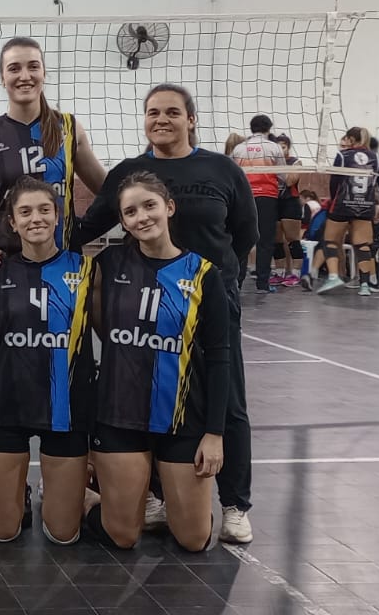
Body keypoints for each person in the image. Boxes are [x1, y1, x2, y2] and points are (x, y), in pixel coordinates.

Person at [70, 83, 256, 545]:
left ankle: (234, 504)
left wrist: (220, 280)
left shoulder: (222, 169)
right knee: (145, 390)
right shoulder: (130, 173)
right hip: (145, 303)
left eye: (173, 112)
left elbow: (246, 234)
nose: (162, 120)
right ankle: (152, 494)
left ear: (191, 119)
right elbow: (86, 228)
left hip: (207, 298)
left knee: (227, 400)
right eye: (153, 112)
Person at [84, 171, 228, 552]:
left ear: (169, 207)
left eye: (149, 205)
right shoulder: (108, 264)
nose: (142, 217)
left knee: (194, 540)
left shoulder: (203, 274)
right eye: (130, 212)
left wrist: (215, 433)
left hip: (181, 418)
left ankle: (169, 503)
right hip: (119, 416)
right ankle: (89, 500)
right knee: (122, 536)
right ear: (122, 221)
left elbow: (220, 358)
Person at [0, 177, 94, 544]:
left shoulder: (87, 270)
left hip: (67, 406)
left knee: (63, 534)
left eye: (45, 210)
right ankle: (18, 496)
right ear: (12, 222)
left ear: (58, 216)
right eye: (25, 212)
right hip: (10, 400)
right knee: (3, 531)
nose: (36, 219)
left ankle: (83, 496)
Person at [0, 36, 106, 256]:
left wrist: (83, 230)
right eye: (14, 68)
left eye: (33, 66)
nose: (25, 76)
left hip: (63, 258)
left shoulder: (68, 128)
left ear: (44, 73)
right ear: (2, 78)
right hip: (5, 261)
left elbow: (110, 191)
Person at [315, 127, 379, 296]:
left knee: (330, 240)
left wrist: (333, 200)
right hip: (365, 205)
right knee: (363, 245)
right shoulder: (376, 158)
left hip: (342, 204)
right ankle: (365, 285)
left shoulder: (342, 155)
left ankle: (334, 276)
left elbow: (334, 182)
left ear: (350, 139)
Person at [230, 115, 287, 294]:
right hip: (267, 197)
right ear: (269, 129)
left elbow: (232, 173)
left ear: (251, 128)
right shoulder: (274, 147)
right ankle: (262, 284)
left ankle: (237, 282)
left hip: (244, 197)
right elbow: (283, 175)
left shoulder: (239, 148)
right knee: (265, 241)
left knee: (241, 239)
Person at [271, 134, 304, 287]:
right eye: (277, 147)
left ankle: (296, 274)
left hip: (290, 202)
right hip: (274, 202)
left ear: (288, 148)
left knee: (292, 239)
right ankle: (279, 273)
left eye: (283, 147)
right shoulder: (269, 162)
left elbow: (290, 181)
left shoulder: (295, 162)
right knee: (276, 240)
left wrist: (279, 167)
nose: (280, 150)